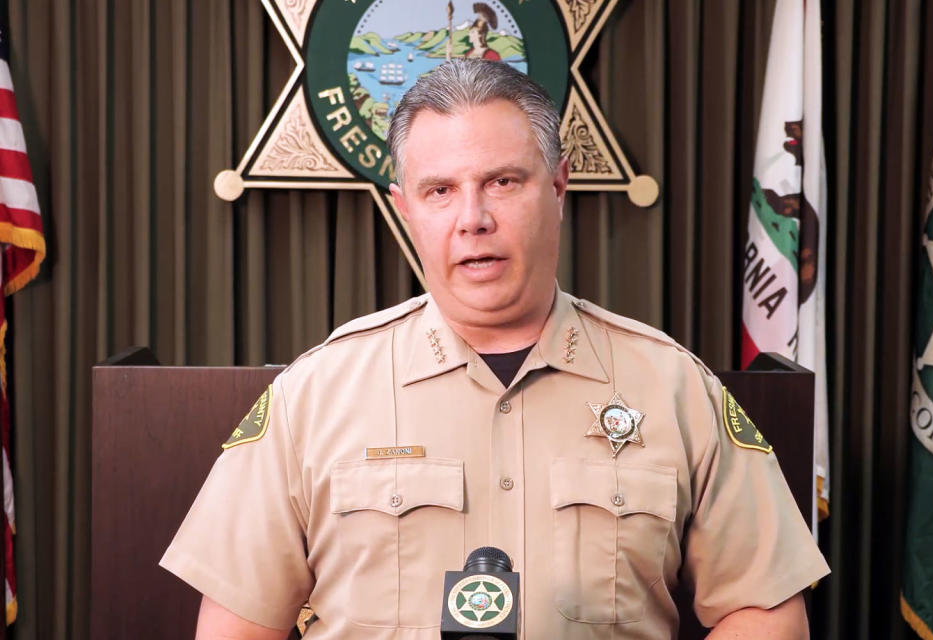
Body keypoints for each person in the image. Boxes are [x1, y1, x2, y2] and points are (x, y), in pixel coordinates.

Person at [161, 59, 829, 640]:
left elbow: (767, 612)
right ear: (404, 209)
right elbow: (235, 629)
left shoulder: (673, 386)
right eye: (440, 190)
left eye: (503, 183)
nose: (472, 218)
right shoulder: (314, 395)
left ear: (560, 186)